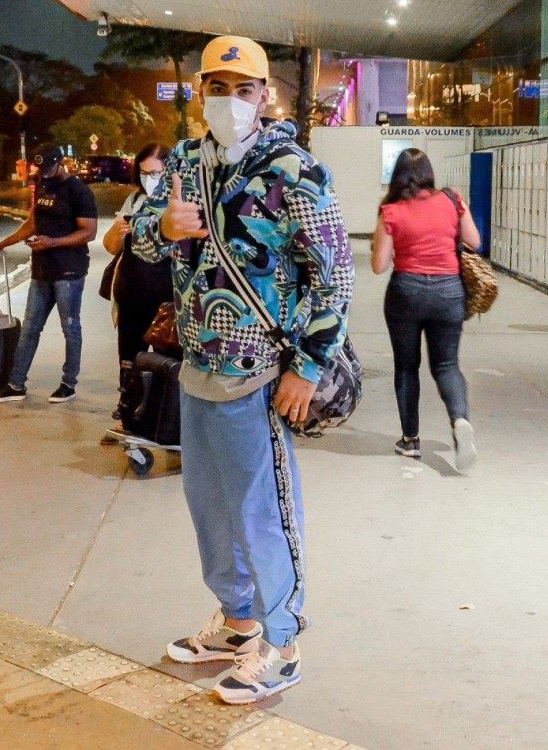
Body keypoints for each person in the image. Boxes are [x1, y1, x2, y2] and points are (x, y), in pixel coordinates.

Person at [131, 36, 354, 704]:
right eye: (217, 88)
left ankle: (281, 644)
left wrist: (307, 370)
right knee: (210, 508)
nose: (230, 101)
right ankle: (236, 624)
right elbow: (141, 238)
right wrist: (166, 227)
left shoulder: (295, 171)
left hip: (263, 377)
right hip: (197, 367)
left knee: (263, 515)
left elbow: (334, 276)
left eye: (244, 88)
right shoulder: (185, 161)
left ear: (266, 95)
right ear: (201, 93)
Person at [371, 148, 479, 473]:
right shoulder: (452, 199)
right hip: (448, 292)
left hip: (406, 291)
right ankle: (459, 420)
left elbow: (378, 266)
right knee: (447, 365)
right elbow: (474, 240)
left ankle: (410, 440)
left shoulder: (390, 210)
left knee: (406, 366)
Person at [0, 144, 97, 404]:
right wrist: (3, 244)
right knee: (30, 328)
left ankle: (68, 384)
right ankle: (15, 384)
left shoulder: (77, 190)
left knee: (70, 329)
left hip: (68, 270)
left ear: (61, 162)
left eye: (48, 168)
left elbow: (88, 232)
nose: (43, 174)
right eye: (39, 169)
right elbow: (33, 222)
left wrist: (53, 242)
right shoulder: (43, 183)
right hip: (42, 269)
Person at [102, 142, 172, 423]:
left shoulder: (179, 202)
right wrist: (120, 231)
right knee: (129, 356)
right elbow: (110, 246)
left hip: (168, 295)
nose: (149, 179)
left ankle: (162, 414)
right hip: (132, 291)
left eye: (156, 173)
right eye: (144, 173)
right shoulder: (135, 200)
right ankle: (129, 408)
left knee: (166, 356)